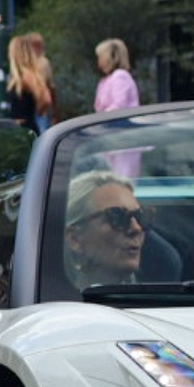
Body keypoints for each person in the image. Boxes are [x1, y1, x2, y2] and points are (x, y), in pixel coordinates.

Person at [62, 169, 147, 289]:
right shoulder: (48, 302)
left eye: (139, 216)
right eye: (117, 216)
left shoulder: (162, 301)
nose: (136, 228)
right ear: (74, 238)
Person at [93, 39, 142, 178]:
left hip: (123, 139)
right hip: (110, 138)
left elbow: (118, 106)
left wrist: (99, 119)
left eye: (100, 57)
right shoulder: (105, 81)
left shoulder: (120, 77)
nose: (98, 61)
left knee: (122, 177)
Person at [4, 33, 56, 131]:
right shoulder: (27, 76)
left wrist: (32, 113)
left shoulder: (25, 77)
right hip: (25, 126)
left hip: (24, 127)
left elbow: (46, 99)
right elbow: (46, 99)